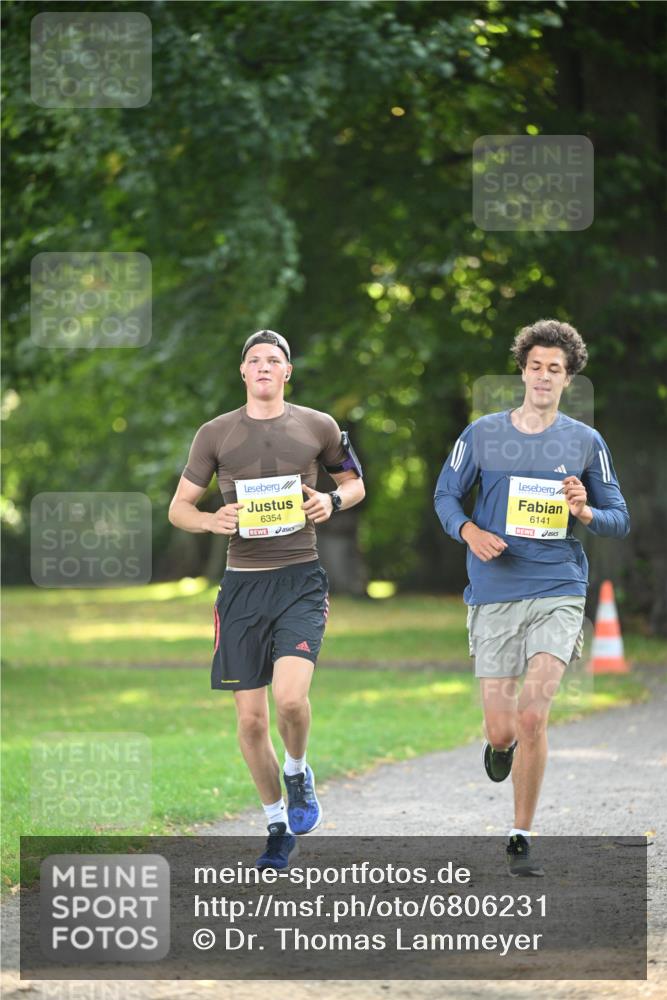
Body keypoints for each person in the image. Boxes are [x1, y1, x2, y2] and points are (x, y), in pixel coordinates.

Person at [434, 319, 629, 876]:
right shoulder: (481, 434)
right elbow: (446, 495)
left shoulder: (586, 443)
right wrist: (470, 532)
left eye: (556, 370)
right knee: (503, 728)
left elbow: (618, 518)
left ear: (568, 379)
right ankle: (499, 750)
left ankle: (520, 834)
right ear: (522, 370)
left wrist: (585, 510)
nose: (545, 377)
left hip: (557, 588)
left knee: (533, 717)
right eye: (537, 366)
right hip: (494, 592)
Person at [168, 330, 365, 869]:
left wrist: (330, 499)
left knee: (291, 701)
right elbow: (179, 508)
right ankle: (277, 825)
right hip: (241, 588)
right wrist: (211, 519)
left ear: (286, 372)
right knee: (252, 722)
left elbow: (354, 484)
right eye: (253, 359)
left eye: (272, 360)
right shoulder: (215, 434)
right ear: (243, 372)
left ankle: (298, 771)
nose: (262, 366)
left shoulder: (317, 425)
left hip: (300, 579)